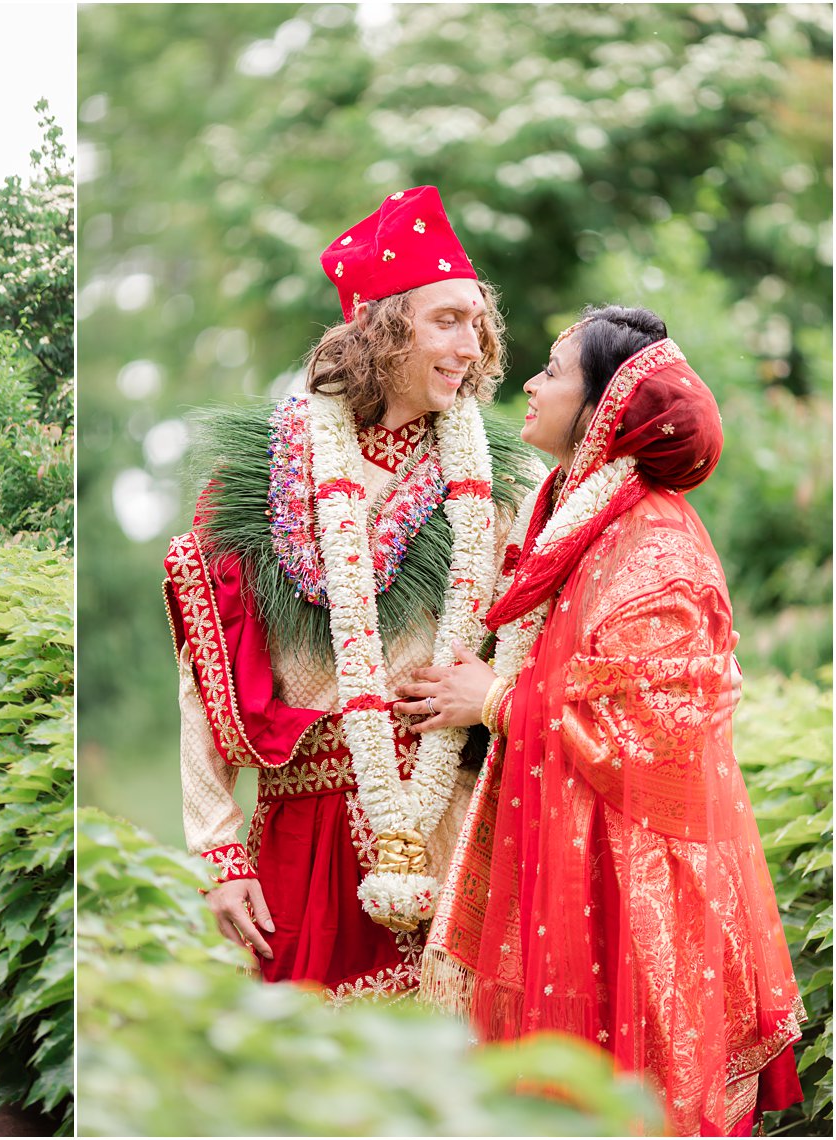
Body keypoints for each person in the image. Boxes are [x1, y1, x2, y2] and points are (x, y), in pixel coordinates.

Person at [412, 307, 805, 1134]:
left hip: (630, 880)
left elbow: (656, 725)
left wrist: (495, 701)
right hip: (570, 853)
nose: (529, 382)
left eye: (553, 371)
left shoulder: (654, 542)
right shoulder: (573, 520)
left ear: (602, 411)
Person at [164, 186, 539, 997]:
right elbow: (206, 676)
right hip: (302, 833)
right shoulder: (258, 477)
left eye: (479, 324)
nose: (472, 345)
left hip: (456, 818)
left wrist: (496, 696)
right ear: (380, 328)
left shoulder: (506, 484)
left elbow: (548, 639)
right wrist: (219, 851)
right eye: (447, 320)